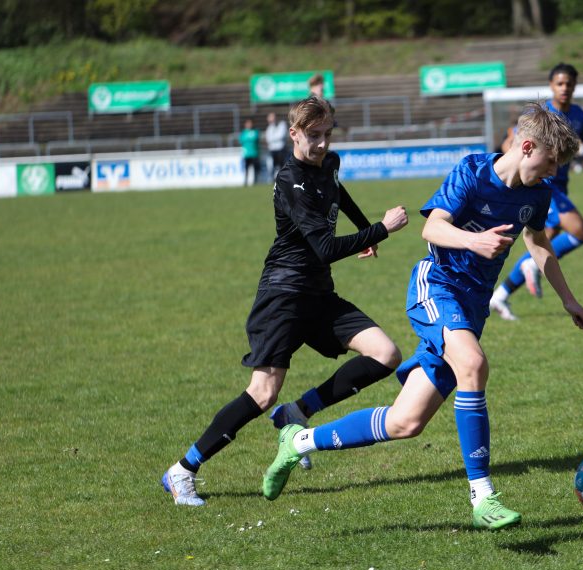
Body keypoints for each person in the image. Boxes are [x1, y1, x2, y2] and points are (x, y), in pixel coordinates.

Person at [261, 103, 583, 530]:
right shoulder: (473, 171)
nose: (553, 172)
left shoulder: (537, 193)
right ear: (527, 147)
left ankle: (299, 440)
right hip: (436, 288)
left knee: (406, 421)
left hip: (471, 309)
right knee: (473, 364)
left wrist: (568, 299)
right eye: (550, 161)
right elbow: (432, 228)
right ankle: (483, 497)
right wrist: (474, 242)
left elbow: (538, 242)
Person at [161, 96, 410, 507]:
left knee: (386, 354)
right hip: (283, 294)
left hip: (318, 293)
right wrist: (381, 229)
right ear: (293, 134)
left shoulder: (328, 162)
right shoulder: (290, 181)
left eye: (328, 134)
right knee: (263, 393)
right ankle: (182, 470)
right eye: (313, 136)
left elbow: (338, 191)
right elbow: (325, 248)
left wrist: (365, 227)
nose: (322, 144)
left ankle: (298, 413)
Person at [489, 63, 583, 321]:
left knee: (542, 242)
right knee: (579, 231)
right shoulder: (542, 115)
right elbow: (513, 141)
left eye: (569, 83)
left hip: (560, 185)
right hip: (544, 185)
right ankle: (527, 266)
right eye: (560, 83)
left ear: (575, 86)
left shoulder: (579, 115)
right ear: (551, 85)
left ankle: (500, 295)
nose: (564, 88)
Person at [264, 111, 289, 179]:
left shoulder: (282, 124)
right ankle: (274, 178)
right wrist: (275, 138)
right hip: (272, 150)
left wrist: (273, 138)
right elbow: (268, 139)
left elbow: (281, 136)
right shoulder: (269, 127)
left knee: (282, 165)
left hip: (281, 149)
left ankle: (283, 178)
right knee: (273, 166)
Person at [240, 118, 260, 186]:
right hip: (246, 154)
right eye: (248, 123)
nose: (249, 125)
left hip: (254, 153)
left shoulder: (255, 131)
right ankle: (245, 182)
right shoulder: (243, 132)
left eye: (250, 123)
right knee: (246, 169)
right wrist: (249, 138)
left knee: (255, 169)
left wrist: (248, 139)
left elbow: (255, 138)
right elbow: (241, 140)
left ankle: (255, 182)